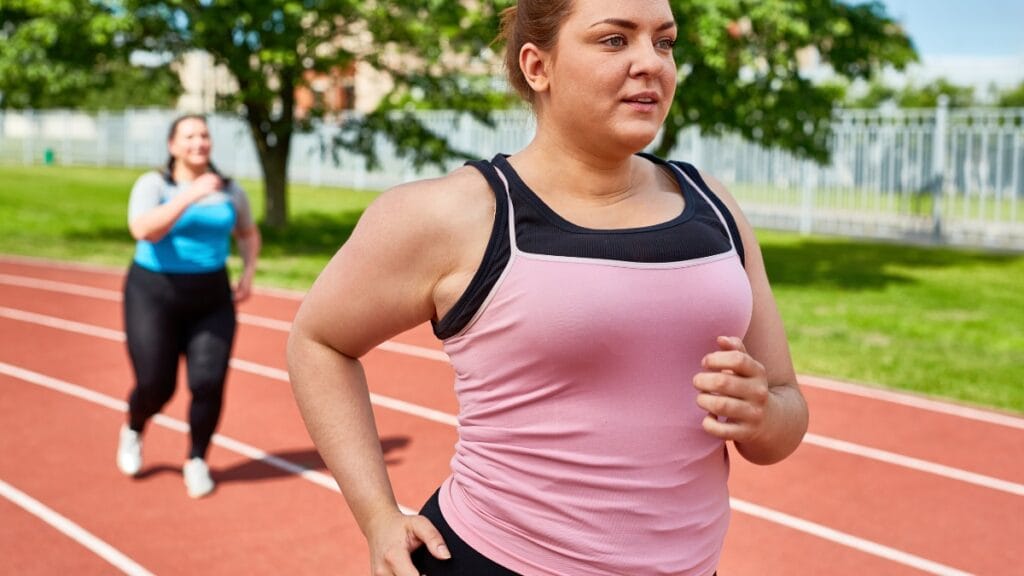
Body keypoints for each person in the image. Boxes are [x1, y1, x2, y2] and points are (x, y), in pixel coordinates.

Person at [287, 0, 808, 573]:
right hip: (494, 560)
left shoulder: (713, 203)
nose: (651, 63)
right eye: (615, 40)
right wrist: (377, 515)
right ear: (538, 67)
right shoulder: (457, 213)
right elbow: (318, 341)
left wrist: (762, 414)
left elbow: (784, 406)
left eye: (664, 42)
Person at [116, 114, 261, 499]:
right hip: (153, 293)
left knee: (208, 382)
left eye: (204, 135)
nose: (199, 142)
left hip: (211, 298)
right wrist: (190, 195)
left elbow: (247, 232)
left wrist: (248, 271)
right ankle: (134, 427)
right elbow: (143, 230)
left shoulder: (230, 190)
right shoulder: (154, 184)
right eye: (190, 136)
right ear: (173, 145)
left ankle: (197, 460)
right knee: (155, 385)